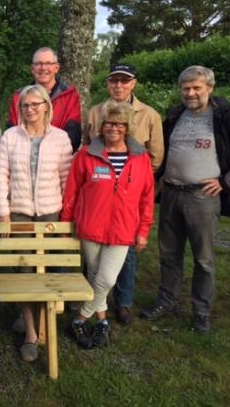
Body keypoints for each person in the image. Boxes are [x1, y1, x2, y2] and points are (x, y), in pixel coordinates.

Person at [142, 66, 230, 334]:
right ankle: (166, 301)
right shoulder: (175, 116)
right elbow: (157, 149)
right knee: (169, 254)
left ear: (210, 87)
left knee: (204, 259)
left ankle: (201, 312)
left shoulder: (225, 117)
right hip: (172, 193)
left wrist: (225, 182)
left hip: (202, 197)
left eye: (197, 88)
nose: (191, 93)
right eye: (186, 88)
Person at [61, 102, 154, 348]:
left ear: (127, 127)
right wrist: (65, 223)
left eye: (120, 124)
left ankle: (80, 319)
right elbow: (71, 191)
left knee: (106, 280)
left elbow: (147, 197)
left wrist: (143, 230)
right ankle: (102, 322)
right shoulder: (86, 155)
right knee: (93, 275)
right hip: (91, 227)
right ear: (101, 126)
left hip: (123, 229)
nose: (114, 128)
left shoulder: (140, 158)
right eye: (109, 123)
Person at [0, 84, 72, 361]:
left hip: (50, 212)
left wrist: (66, 216)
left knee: (48, 270)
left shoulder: (61, 138)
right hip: (20, 212)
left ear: (46, 106)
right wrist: (3, 210)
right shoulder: (10, 136)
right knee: (23, 271)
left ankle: (37, 317)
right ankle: (30, 332)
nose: (30, 109)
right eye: (25, 105)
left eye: (36, 104)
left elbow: (66, 179)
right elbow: (1, 175)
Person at [83, 63, 164, 325]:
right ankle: (97, 305)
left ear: (133, 83)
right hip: (100, 193)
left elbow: (156, 154)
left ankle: (124, 302)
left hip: (129, 192)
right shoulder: (95, 112)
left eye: (124, 81)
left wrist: (134, 180)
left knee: (126, 257)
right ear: (108, 84)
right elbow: (87, 147)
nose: (118, 85)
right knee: (96, 261)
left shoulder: (149, 114)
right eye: (114, 81)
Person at [7, 47, 82, 152]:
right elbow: (12, 134)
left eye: (48, 63)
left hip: (58, 160)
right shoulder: (18, 97)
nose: (43, 68)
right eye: (38, 64)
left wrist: (47, 155)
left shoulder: (70, 96)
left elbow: (73, 137)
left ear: (56, 68)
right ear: (32, 69)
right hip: (23, 159)